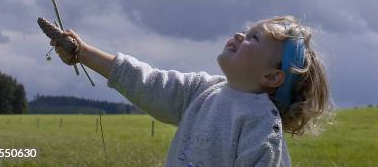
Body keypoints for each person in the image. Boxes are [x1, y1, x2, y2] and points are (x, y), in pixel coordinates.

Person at [51, 14, 333, 166]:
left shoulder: (261, 125)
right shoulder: (203, 90)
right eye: (246, 30)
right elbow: (147, 82)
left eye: (253, 38)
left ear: (272, 76)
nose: (239, 35)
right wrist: (83, 53)